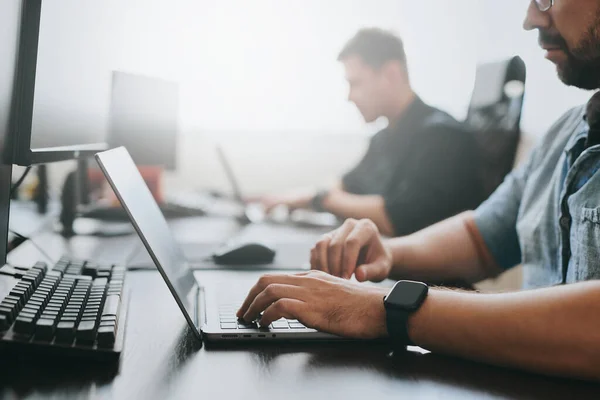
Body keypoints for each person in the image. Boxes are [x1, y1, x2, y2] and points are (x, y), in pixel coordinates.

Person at [237, 0, 600, 381]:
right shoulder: (564, 132)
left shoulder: (438, 134)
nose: (531, 18)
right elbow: (480, 237)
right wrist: (388, 252)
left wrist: (384, 309)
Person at [258, 28, 483, 236]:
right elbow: (347, 184)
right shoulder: (384, 138)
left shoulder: (441, 137)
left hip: (424, 276)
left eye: (355, 83)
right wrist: (287, 199)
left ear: (391, 74)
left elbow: (397, 219)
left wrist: (322, 199)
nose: (349, 96)